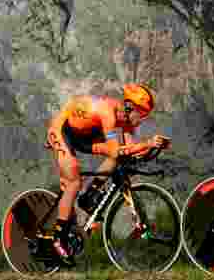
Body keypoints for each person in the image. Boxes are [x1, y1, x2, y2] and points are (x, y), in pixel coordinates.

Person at [43, 83, 171, 263]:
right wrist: (148, 143)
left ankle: (89, 196)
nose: (142, 120)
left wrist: (154, 147)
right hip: (62, 129)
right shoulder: (108, 114)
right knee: (73, 182)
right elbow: (116, 150)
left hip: (85, 134)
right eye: (142, 114)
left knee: (117, 158)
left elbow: (129, 150)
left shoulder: (126, 119)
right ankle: (57, 239)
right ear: (129, 107)